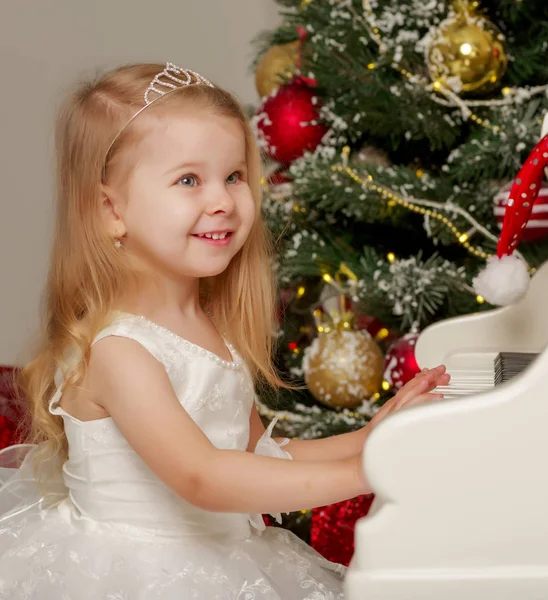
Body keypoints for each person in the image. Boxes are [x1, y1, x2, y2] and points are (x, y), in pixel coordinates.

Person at [0, 62, 450, 599]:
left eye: (233, 176)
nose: (222, 200)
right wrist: (366, 469)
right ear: (110, 209)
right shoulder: (120, 351)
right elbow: (204, 477)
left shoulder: (207, 328)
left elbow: (255, 453)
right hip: (141, 576)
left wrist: (370, 436)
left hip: (223, 557)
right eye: (189, 179)